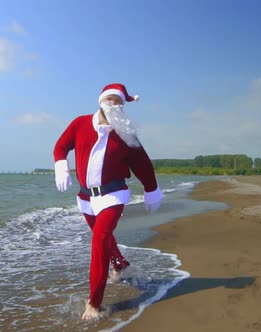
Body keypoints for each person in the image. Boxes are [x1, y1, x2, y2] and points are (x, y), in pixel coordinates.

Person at [53, 83, 163, 320]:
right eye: (110, 99)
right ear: (101, 100)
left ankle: (94, 303)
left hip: (113, 195)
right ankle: (120, 265)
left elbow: (142, 164)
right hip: (86, 196)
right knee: (103, 237)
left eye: (119, 101)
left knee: (100, 239)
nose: (114, 104)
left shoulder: (126, 132)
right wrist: (61, 164)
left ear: (122, 106)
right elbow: (61, 146)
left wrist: (151, 189)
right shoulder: (80, 123)